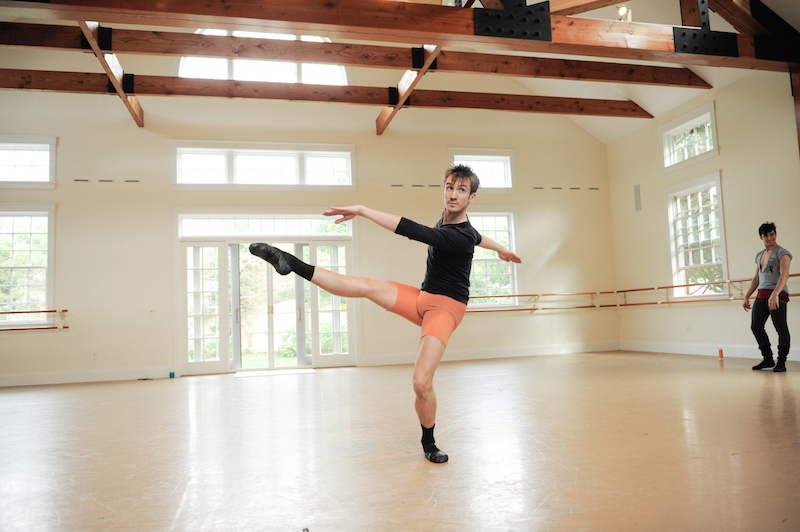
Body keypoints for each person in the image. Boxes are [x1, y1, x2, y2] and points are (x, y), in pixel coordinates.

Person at [249, 164, 521, 463]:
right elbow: (481, 238)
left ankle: (429, 443)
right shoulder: (452, 223)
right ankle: (289, 262)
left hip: (446, 308)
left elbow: (415, 231)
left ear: (472, 197)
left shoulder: (460, 235)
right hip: (422, 298)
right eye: (449, 187)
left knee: (421, 382)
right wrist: (501, 249)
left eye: (461, 190)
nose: (453, 194)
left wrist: (363, 210)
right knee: (365, 285)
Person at [743, 222, 792, 372]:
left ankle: (781, 362)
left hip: (778, 294)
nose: (770, 238)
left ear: (775, 234)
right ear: (761, 237)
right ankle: (768, 359)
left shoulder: (782, 253)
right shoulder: (759, 255)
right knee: (756, 326)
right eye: (766, 235)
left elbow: (784, 275)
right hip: (761, 295)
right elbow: (756, 279)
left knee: (780, 328)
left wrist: (775, 294)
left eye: (772, 234)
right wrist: (746, 296)